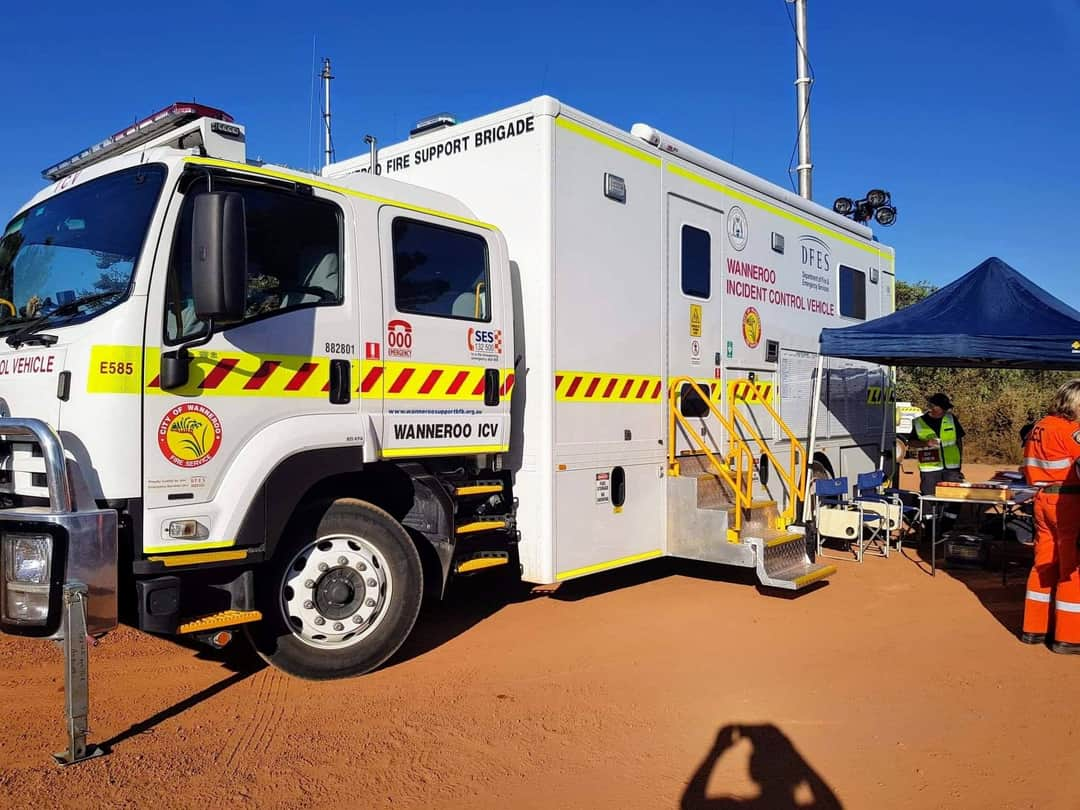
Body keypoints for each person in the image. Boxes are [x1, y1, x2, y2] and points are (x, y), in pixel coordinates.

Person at [1020, 380, 1080, 653]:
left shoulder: (1039, 427)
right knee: (1071, 568)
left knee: (1043, 563)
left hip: (1042, 499)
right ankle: (1068, 636)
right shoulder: (1072, 431)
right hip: (1068, 501)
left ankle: (1034, 629)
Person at [906, 392, 965, 530]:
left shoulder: (951, 419)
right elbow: (911, 443)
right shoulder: (919, 422)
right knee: (929, 499)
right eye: (941, 407)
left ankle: (947, 527)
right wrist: (926, 443)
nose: (945, 410)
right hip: (930, 469)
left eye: (946, 408)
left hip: (952, 468)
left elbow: (959, 441)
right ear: (932, 407)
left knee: (954, 497)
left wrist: (960, 463)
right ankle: (930, 528)